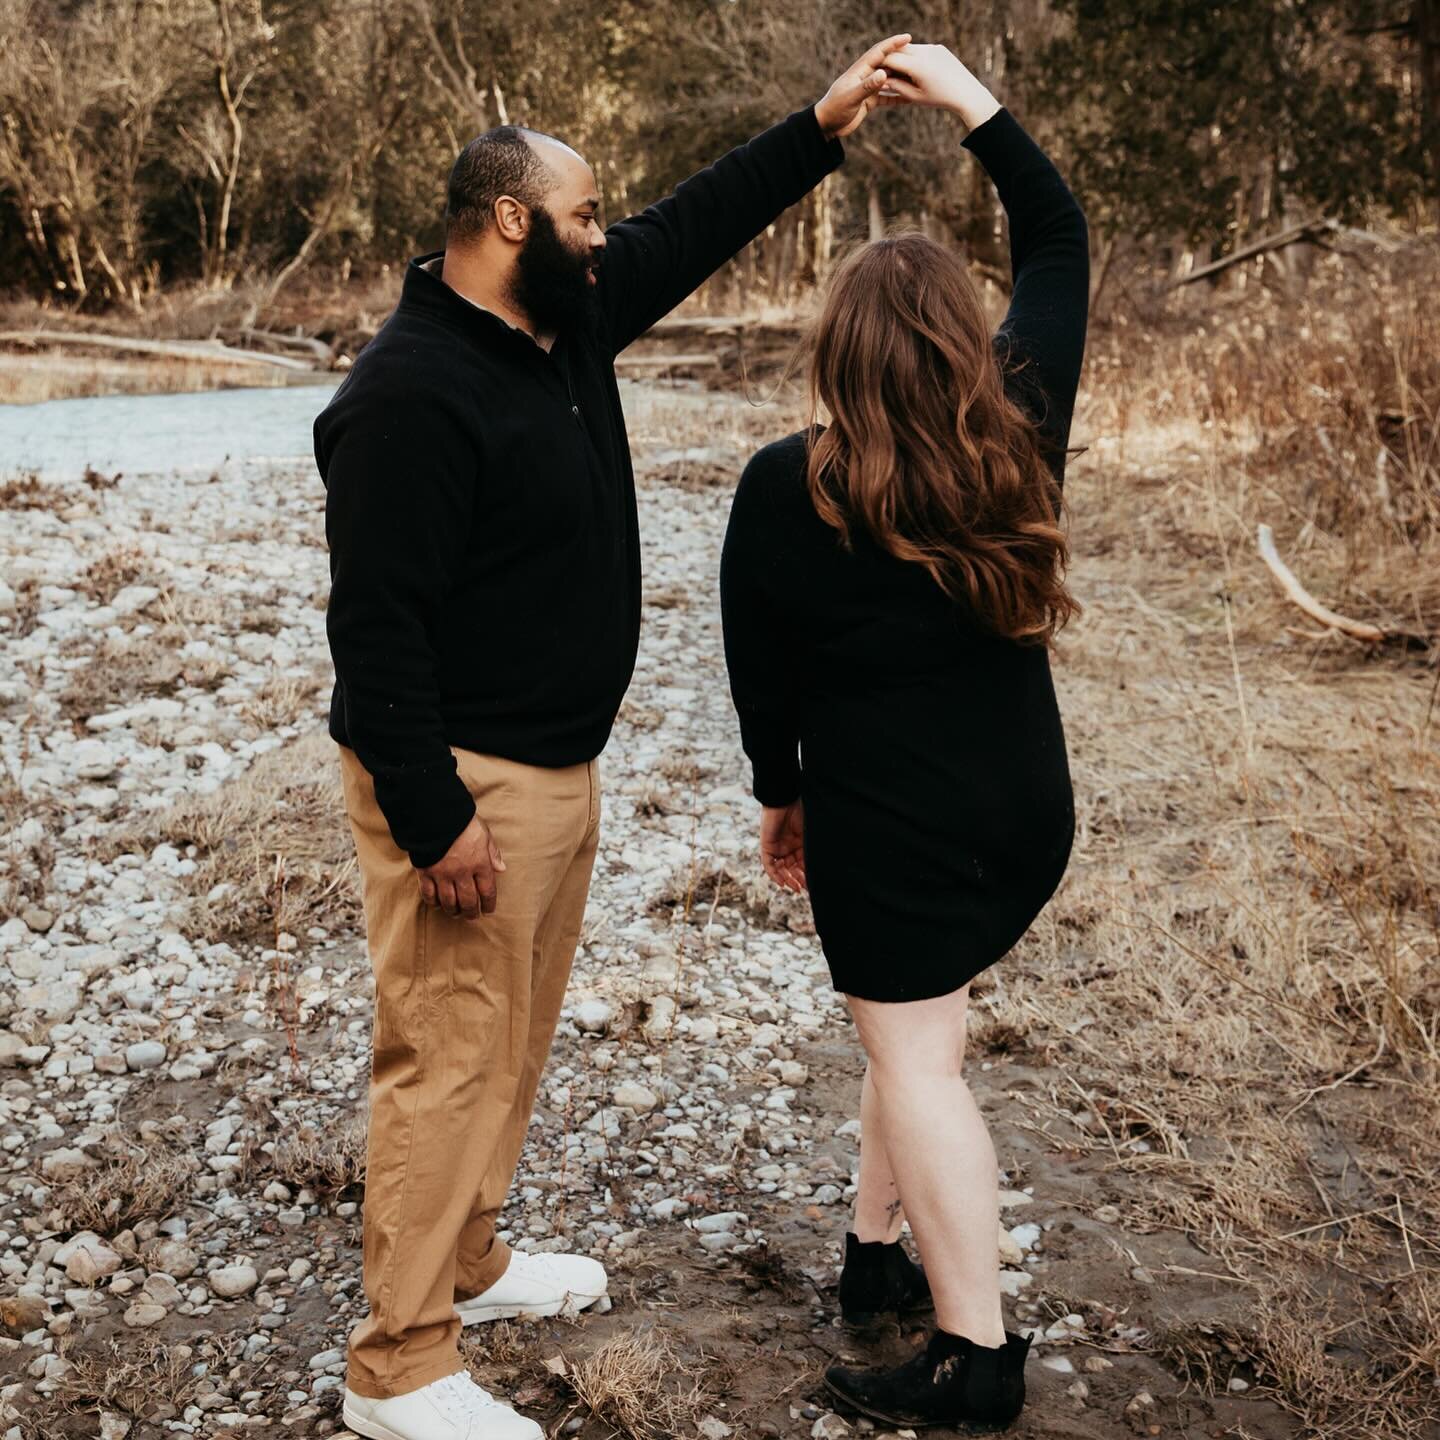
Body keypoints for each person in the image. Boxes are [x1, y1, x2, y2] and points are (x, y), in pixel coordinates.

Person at [314, 34, 917, 1440]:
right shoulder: (407, 397)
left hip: (556, 768)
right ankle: (395, 1367)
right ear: (507, 222)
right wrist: (430, 810)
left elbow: (693, 226)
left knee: (508, 1043)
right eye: (584, 216)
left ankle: (469, 1260)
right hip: (463, 777)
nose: (607, 238)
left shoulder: (560, 319)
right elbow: (376, 631)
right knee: (445, 1055)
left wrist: (819, 126)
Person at [719, 43, 1089, 1433]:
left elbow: (759, 675)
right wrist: (971, 99)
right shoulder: (1021, 428)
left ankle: (975, 1355)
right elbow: (1058, 231)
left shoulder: (781, 486)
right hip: (1023, 817)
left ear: (836, 351)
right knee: (916, 1039)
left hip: (892, 828)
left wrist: (777, 793)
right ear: (962, 338)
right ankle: (874, 1258)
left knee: (918, 1059)